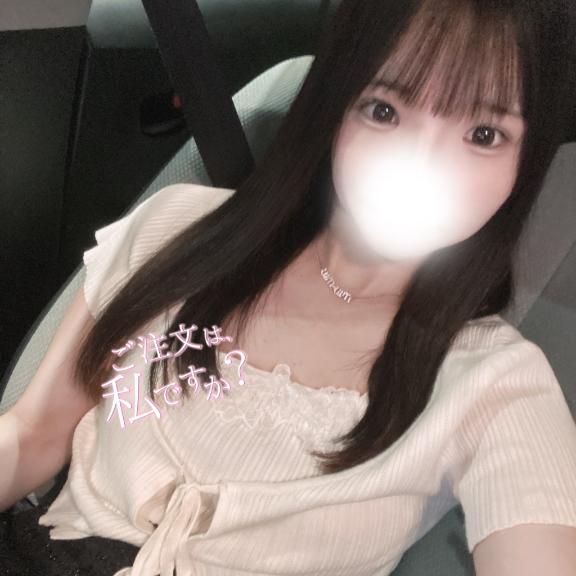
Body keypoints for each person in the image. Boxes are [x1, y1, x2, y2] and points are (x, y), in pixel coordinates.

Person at [2, 0, 576, 574]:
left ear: (525, 161)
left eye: (483, 134)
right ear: (335, 108)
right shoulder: (175, 229)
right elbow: (31, 436)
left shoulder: (496, 381)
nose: (422, 163)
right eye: (383, 110)